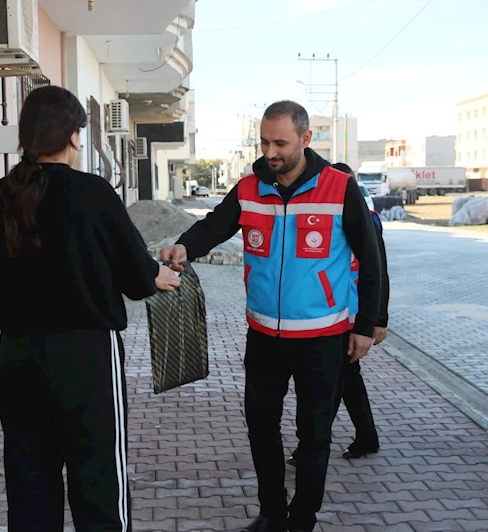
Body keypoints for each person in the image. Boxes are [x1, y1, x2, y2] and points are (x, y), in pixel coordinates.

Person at [159, 101, 382, 532]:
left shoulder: (339, 187)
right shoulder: (248, 188)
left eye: (280, 142)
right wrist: (185, 246)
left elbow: (370, 262)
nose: (270, 151)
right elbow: (214, 225)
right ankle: (272, 512)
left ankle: (302, 518)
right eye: (264, 141)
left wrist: (366, 326)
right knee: (261, 427)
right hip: (263, 334)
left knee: (313, 434)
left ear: (305, 139)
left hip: (323, 336)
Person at [0, 85, 181, 532]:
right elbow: (134, 272)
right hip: (87, 358)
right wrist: (153, 276)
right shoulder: (92, 193)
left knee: (29, 489)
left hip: (19, 358)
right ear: (72, 137)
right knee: (99, 484)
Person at [286, 161, 389, 468]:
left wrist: (377, 320)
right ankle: (366, 437)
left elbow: (379, 270)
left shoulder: (367, 220)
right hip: (334, 312)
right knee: (346, 377)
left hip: (353, 314)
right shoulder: (330, 215)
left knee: (332, 382)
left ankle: (312, 446)